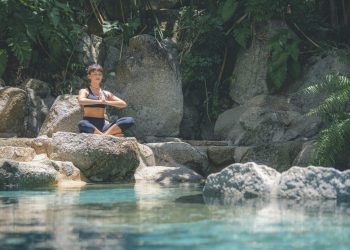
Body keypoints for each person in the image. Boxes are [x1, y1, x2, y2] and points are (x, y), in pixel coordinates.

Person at [77, 64, 134, 137]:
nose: (97, 76)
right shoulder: (85, 91)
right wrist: (99, 101)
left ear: (102, 76)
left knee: (129, 120)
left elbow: (123, 104)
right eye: (95, 74)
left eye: (99, 74)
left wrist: (106, 102)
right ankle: (109, 135)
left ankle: (104, 135)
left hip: (103, 126)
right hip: (89, 124)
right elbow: (81, 100)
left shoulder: (106, 93)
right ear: (89, 76)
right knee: (82, 124)